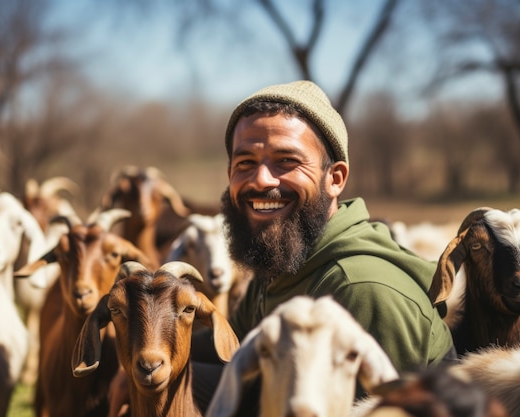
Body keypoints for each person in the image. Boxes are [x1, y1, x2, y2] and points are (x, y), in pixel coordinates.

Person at [191, 80, 456, 415]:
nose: (261, 180)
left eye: (285, 161)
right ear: (229, 174)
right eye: (245, 163)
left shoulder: (361, 290)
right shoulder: (284, 257)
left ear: (335, 178)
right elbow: (231, 346)